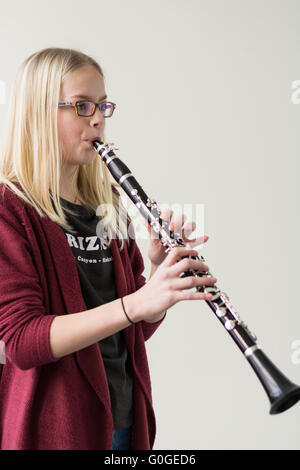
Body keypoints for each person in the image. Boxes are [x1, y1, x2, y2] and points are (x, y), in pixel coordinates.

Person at [0, 48, 215, 450]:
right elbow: (23, 342)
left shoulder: (107, 202)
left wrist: (158, 278)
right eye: (81, 106)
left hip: (123, 423)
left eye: (102, 105)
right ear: (37, 112)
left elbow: (132, 330)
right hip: (55, 431)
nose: (98, 118)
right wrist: (136, 304)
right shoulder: (9, 209)